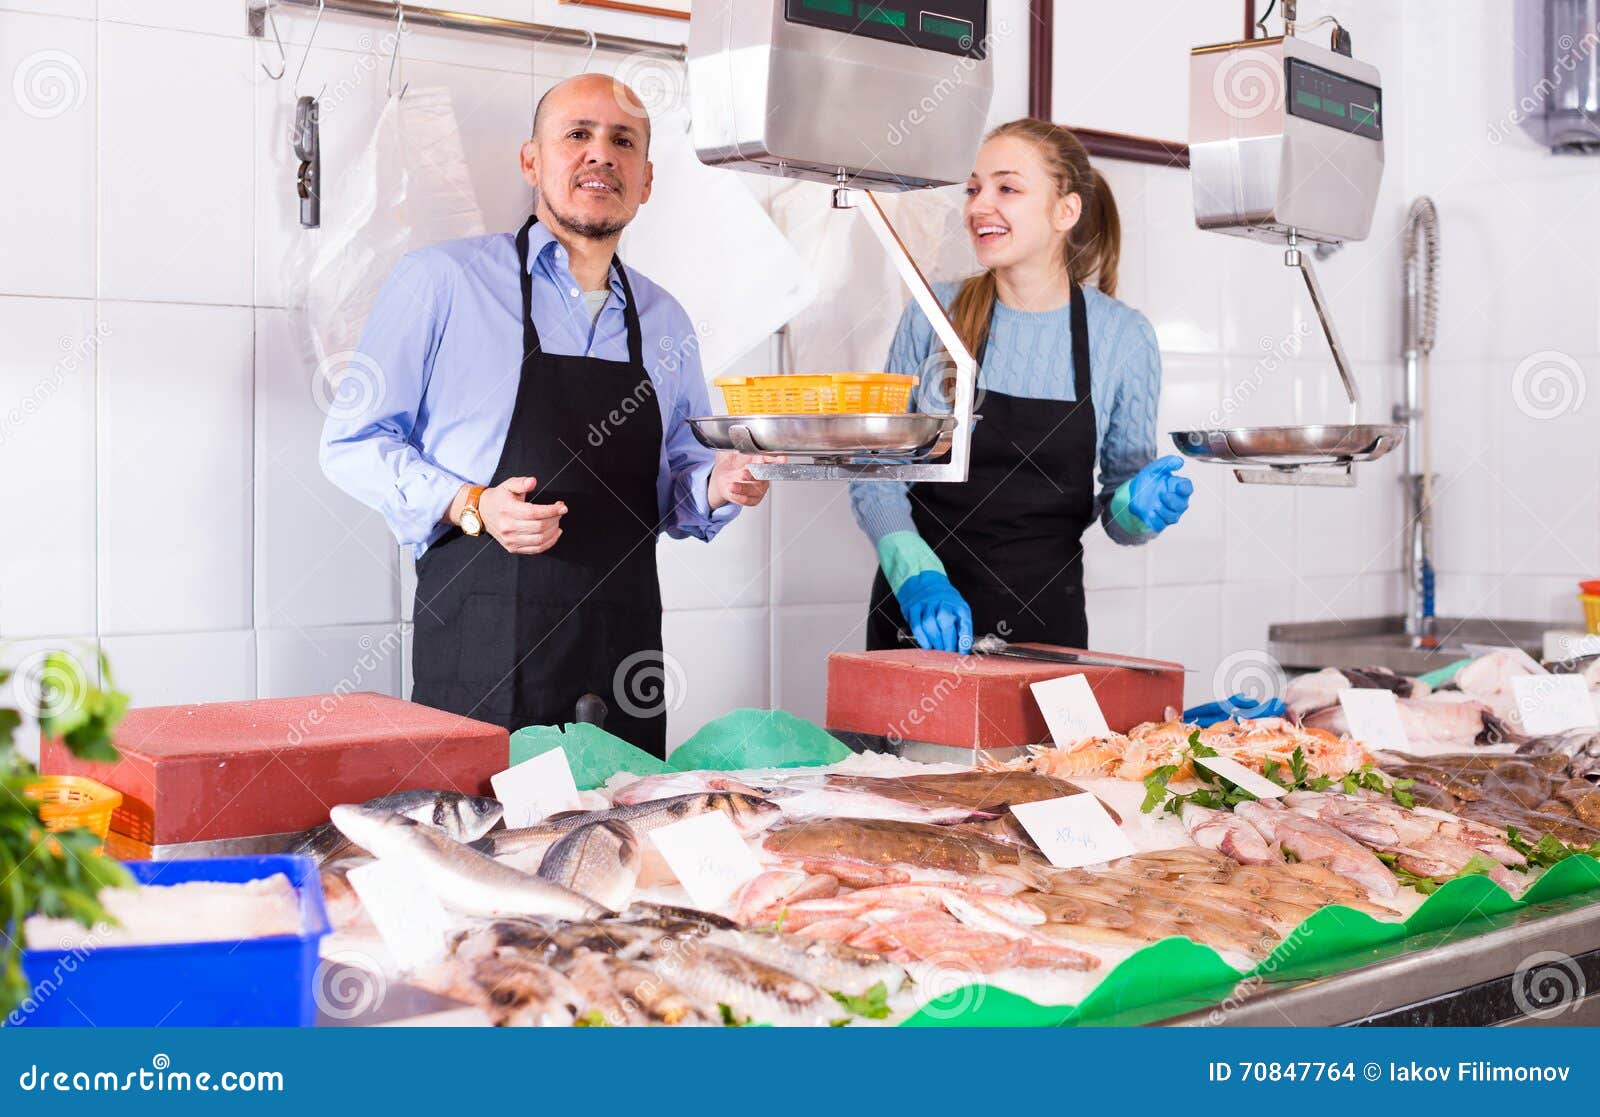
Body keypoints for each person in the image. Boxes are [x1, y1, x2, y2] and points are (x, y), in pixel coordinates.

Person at [321, 74, 774, 755]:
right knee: (485, 849)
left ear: (645, 180)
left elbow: (680, 482)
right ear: (532, 160)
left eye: (622, 141)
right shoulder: (442, 283)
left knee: (619, 850)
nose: (601, 154)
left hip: (623, 663)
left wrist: (721, 483)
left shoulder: (666, 319)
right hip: (482, 663)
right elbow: (349, 443)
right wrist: (470, 502)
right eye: (577, 135)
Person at [851, 118, 1192, 654]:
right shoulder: (932, 315)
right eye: (973, 188)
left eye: (1006, 188)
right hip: (918, 627)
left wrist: (1138, 510)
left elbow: (1119, 517)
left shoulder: (1123, 337)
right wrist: (916, 576)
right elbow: (877, 475)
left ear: (1066, 211)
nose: (979, 206)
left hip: (1046, 633)